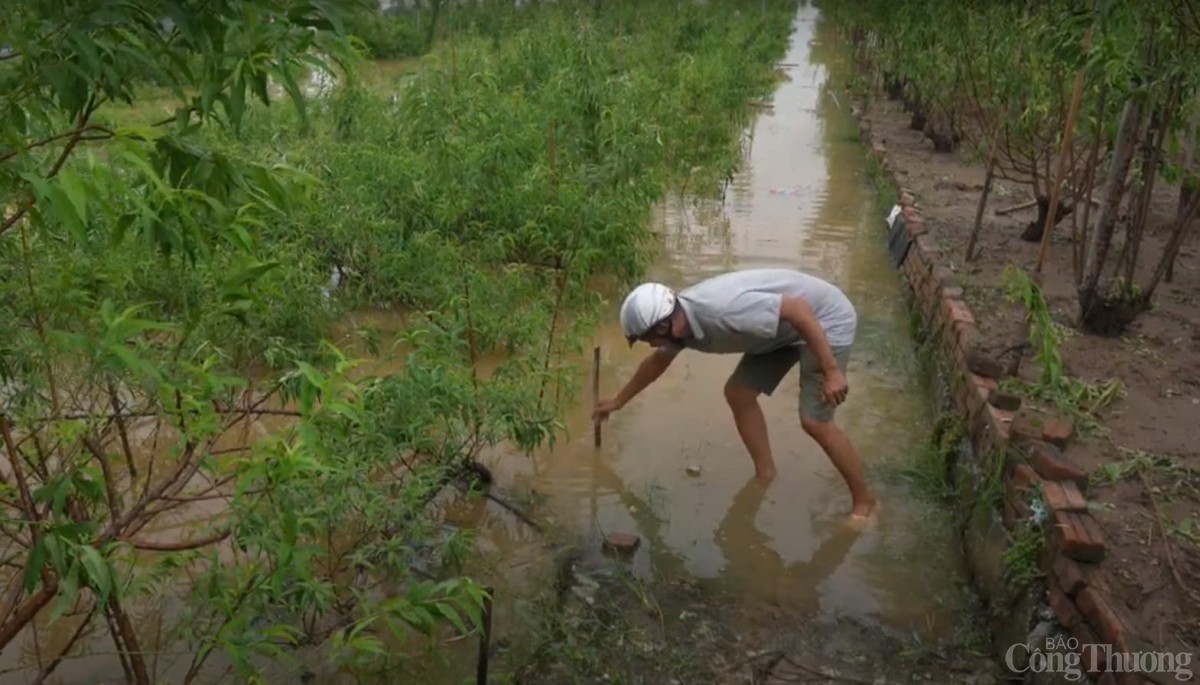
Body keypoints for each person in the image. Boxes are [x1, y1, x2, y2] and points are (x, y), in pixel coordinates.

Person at [593, 268, 877, 522]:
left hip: (824, 320)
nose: (652, 344)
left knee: (815, 421)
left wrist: (832, 371)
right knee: (738, 393)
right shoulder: (680, 328)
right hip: (781, 332)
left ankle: (865, 503)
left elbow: (799, 310)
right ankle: (766, 474)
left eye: (649, 337)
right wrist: (618, 401)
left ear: (665, 324)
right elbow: (656, 364)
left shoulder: (721, 311)